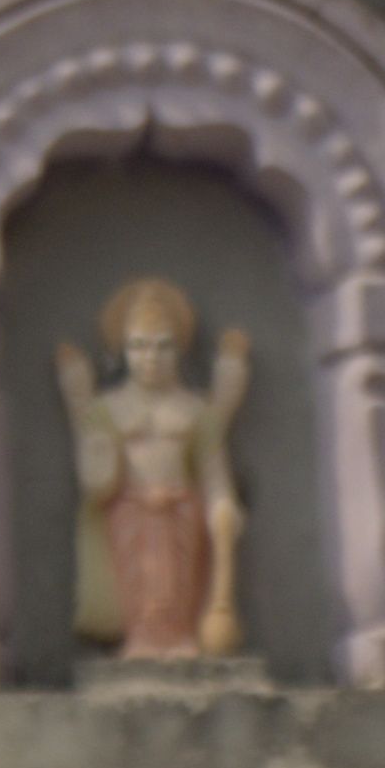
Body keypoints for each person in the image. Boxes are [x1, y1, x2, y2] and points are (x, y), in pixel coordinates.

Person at [58, 277, 252, 664]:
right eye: (139, 346)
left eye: (163, 347)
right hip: (129, 515)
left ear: (179, 349)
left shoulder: (196, 411)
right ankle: (139, 641)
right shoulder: (106, 409)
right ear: (123, 349)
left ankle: (180, 639)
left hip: (182, 512)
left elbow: (215, 475)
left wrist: (223, 509)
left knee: (178, 586)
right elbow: (95, 477)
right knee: (137, 584)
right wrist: (77, 400)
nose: (151, 357)